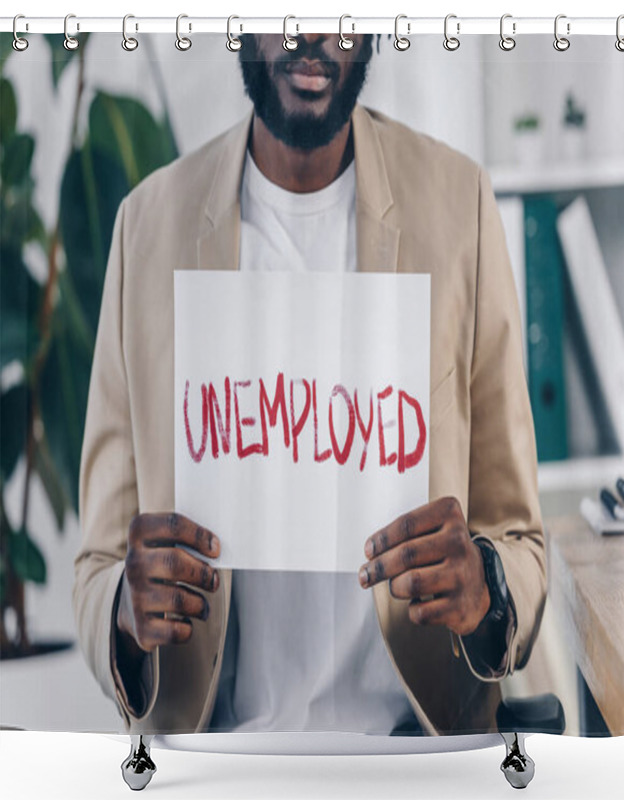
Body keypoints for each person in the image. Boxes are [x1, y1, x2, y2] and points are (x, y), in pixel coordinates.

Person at [73, 32, 547, 737]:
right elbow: (97, 568)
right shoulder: (147, 227)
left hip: (413, 744)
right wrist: (123, 603)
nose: (312, 33)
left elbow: (521, 542)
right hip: (217, 757)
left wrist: (486, 584)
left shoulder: (458, 208)